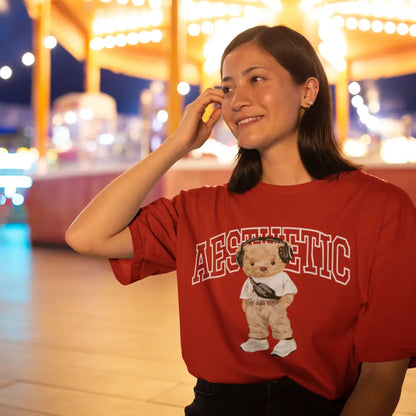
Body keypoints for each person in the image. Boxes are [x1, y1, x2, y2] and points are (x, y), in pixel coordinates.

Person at [66, 25, 416, 416]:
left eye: (257, 79)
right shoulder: (198, 210)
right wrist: (177, 144)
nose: (237, 101)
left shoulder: (381, 206)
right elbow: (86, 235)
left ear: (308, 91)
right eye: (228, 88)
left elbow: (382, 376)